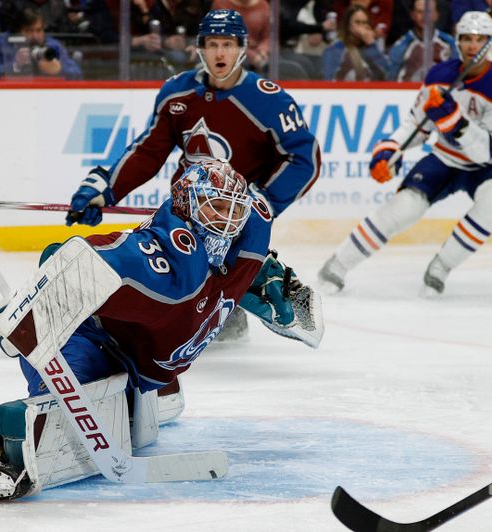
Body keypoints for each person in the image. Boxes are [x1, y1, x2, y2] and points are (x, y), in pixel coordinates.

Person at [0, 159, 315, 499]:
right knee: (58, 399)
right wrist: (30, 308)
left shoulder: (248, 234)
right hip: (91, 337)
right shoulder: (167, 258)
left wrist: (278, 293)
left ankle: (150, 387)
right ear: (188, 207)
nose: (229, 221)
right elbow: (69, 257)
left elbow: (242, 278)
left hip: (144, 362)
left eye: (235, 209)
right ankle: (2, 454)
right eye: (217, 208)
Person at [64, 9, 321, 342]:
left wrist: (260, 205)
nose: (220, 53)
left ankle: (251, 298)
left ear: (242, 47)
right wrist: (105, 189)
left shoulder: (267, 100)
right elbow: (148, 151)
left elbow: (304, 159)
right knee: (163, 282)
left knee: (220, 308)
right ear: (200, 47)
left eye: (227, 44)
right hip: (186, 213)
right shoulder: (177, 93)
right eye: (212, 44)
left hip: (234, 222)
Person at [317, 11, 492, 296]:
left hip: (488, 167)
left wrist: (457, 124)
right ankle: (338, 264)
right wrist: (390, 149)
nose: (473, 45)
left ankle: (441, 267)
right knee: (403, 207)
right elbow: (417, 125)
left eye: (480, 39)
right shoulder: (439, 76)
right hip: (445, 157)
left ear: (490, 43)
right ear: (458, 42)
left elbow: (488, 151)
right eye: (467, 38)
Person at [0, 7, 82, 80]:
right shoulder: (1, 43)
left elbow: (77, 75)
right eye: (29, 31)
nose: (35, 36)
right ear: (17, 31)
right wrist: (14, 66)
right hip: (11, 96)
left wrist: (60, 69)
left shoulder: (53, 45)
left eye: (38, 30)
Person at [387, 0, 457, 81]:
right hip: (408, 91)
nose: (425, 16)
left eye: (429, 12)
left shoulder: (450, 43)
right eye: (420, 12)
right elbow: (391, 78)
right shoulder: (402, 45)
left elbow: (458, 74)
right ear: (412, 15)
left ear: (436, 15)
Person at [323, 4, 391, 80]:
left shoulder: (373, 47)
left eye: (364, 22)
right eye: (357, 22)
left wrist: (372, 45)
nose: (361, 27)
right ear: (348, 26)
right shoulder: (335, 48)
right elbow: (328, 80)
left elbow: (388, 74)